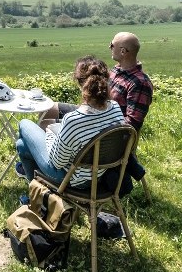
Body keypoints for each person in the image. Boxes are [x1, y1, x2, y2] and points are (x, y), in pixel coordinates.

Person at [15, 56, 125, 187]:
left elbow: (56, 163)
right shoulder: (115, 107)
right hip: (99, 175)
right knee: (21, 145)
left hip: (73, 180)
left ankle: (41, 194)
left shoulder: (73, 120)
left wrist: (50, 135)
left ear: (80, 84)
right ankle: (36, 192)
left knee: (24, 124)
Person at [39, 31, 153, 133]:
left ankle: (54, 151)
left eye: (112, 45)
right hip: (94, 113)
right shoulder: (116, 70)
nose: (109, 47)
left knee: (45, 124)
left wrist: (90, 122)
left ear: (123, 51)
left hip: (105, 127)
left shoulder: (140, 83)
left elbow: (132, 125)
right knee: (49, 109)